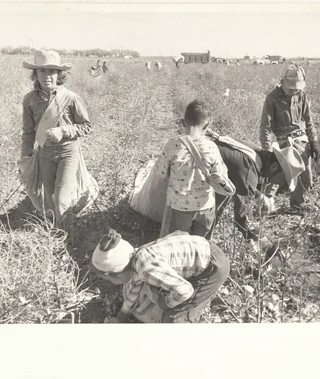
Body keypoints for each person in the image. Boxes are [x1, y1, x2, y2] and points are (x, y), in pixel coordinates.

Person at [20, 50, 96, 242]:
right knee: (50, 200)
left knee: (62, 199)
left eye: (52, 71)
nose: (48, 76)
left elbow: (87, 127)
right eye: (42, 71)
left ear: (59, 74)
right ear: (35, 74)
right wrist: (25, 157)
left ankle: (67, 243)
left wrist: (63, 131)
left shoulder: (70, 98)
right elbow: (28, 132)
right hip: (44, 154)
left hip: (68, 153)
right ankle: (56, 235)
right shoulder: (29, 100)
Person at [91, 229, 230, 323]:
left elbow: (185, 291)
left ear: (116, 273)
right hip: (203, 251)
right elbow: (134, 288)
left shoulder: (146, 269)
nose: (112, 283)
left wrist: (162, 303)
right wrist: (120, 318)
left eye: (109, 280)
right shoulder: (136, 258)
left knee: (172, 317)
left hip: (213, 268)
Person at [205, 130, 305, 241]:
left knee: (218, 203)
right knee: (205, 222)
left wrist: (260, 196)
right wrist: (265, 244)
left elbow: (242, 182)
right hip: (195, 172)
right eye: (279, 181)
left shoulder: (256, 154)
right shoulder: (250, 168)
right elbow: (242, 219)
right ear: (274, 167)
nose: (277, 184)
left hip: (203, 167)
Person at [156, 100, 234, 238]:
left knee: (179, 244)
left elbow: (160, 174)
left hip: (179, 208)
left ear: (182, 122)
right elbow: (222, 175)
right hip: (205, 207)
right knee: (201, 245)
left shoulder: (172, 145)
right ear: (207, 125)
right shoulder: (211, 147)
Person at [259, 63, 320, 211]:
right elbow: (265, 127)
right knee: (276, 178)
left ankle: (296, 205)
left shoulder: (301, 95)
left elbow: (308, 121)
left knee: (306, 179)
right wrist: (266, 151)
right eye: (290, 87)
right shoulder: (272, 98)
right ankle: (263, 208)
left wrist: (314, 143)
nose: (293, 90)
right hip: (284, 143)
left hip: (302, 141)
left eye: (296, 87)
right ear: (283, 81)